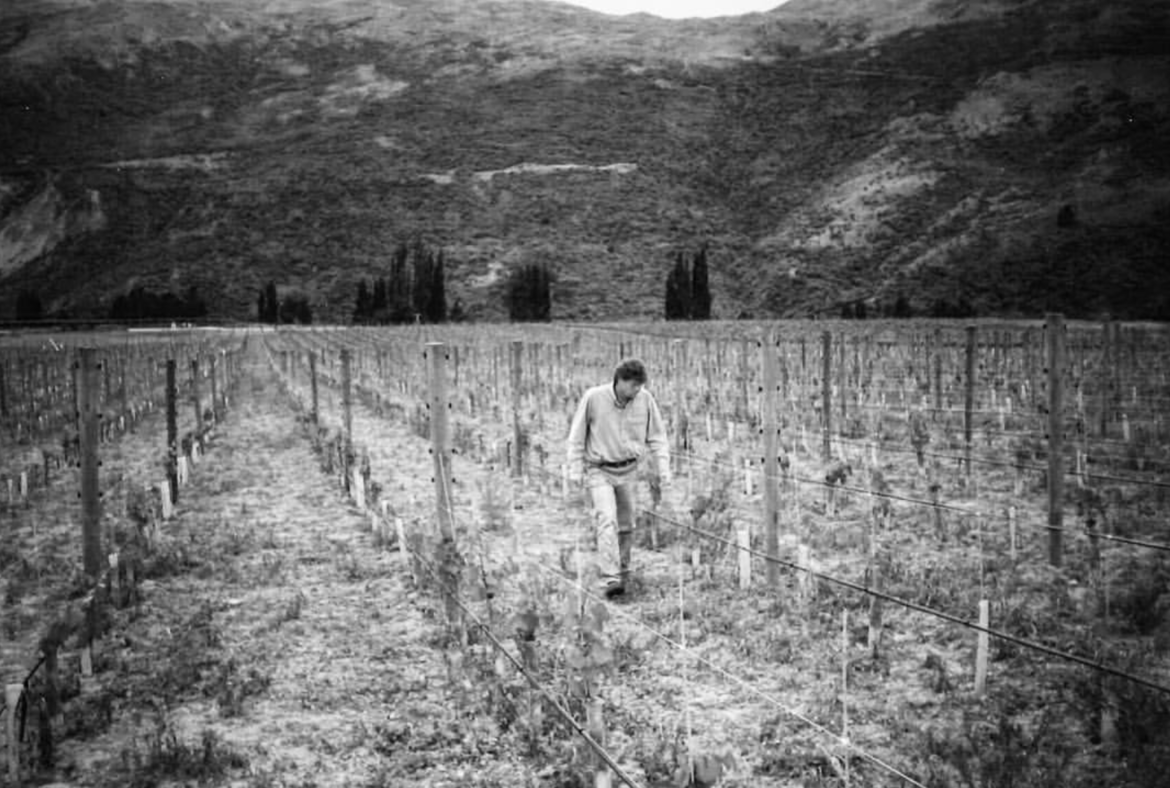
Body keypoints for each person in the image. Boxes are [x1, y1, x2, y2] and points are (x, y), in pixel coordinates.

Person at [566, 358, 672, 598]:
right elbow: (576, 436)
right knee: (607, 520)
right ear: (620, 381)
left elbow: (657, 436)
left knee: (626, 525)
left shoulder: (645, 400)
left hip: (629, 471)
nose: (637, 391)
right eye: (633, 386)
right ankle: (610, 577)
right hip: (599, 469)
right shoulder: (594, 398)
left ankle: (623, 571)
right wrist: (575, 469)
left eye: (640, 386)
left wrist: (663, 468)